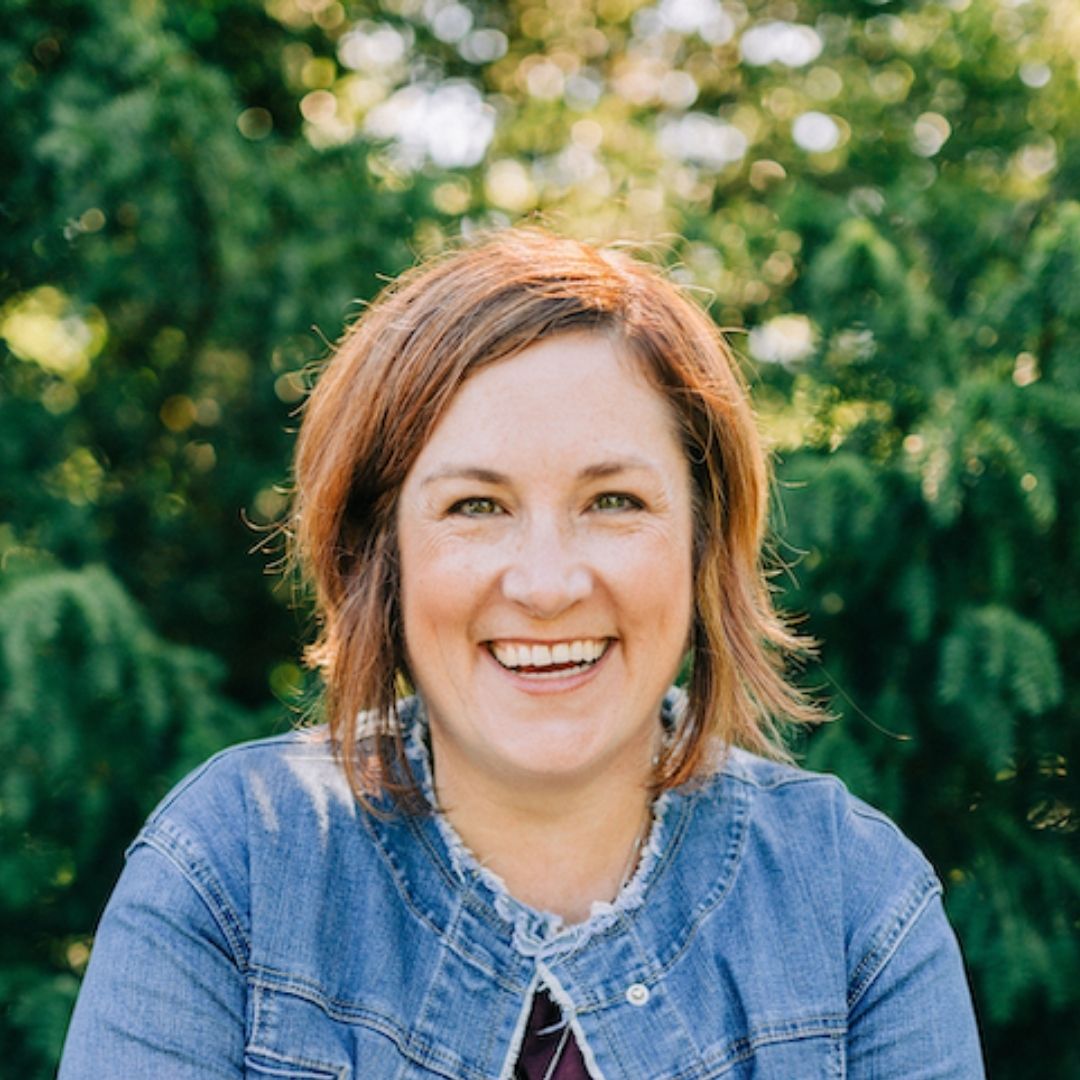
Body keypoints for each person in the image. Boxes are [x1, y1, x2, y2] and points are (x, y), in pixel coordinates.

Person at [59, 228, 985, 1078]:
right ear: (380, 554)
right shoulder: (234, 870)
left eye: (614, 501)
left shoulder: (856, 900)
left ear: (705, 543)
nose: (546, 584)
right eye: (476, 506)